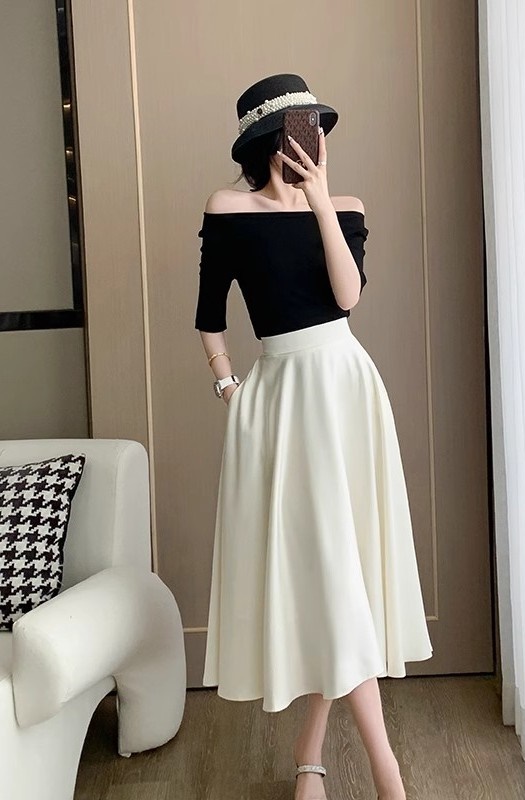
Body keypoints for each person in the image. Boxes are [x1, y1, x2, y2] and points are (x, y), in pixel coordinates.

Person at [195, 73, 433, 800]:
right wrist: (229, 388)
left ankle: (312, 758)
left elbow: (347, 296)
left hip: (346, 392)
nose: (315, 139)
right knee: (330, 574)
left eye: (320, 126)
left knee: (341, 575)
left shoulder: (347, 207)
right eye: (303, 127)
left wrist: (322, 199)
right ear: (272, 138)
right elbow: (210, 317)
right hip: (280, 403)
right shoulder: (228, 209)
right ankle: (390, 779)